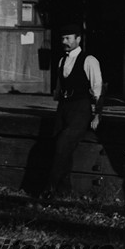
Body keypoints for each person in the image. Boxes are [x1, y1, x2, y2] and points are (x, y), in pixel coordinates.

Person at [44, 23, 103, 198]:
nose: (64, 41)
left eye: (68, 38)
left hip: (81, 108)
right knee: (60, 146)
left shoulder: (89, 60)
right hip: (64, 107)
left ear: (78, 39)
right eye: (62, 38)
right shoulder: (62, 60)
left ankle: (49, 189)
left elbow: (97, 88)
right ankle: (64, 190)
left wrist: (97, 114)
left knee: (63, 144)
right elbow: (58, 88)